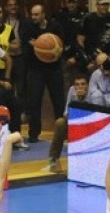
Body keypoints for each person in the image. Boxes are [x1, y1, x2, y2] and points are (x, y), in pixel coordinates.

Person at [20, 4, 65, 143]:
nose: (33, 17)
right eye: (32, 14)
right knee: (34, 101)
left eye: (36, 14)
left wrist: (41, 45)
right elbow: (26, 46)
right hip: (36, 69)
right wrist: (41, 46)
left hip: (54, 68)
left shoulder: (56, 27)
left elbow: (60, 47)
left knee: (58, 101)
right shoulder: (27, 27)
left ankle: (62, 132)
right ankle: (34, 133)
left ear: (43, 14)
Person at [44, 74, 104, 173]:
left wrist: (81, 101)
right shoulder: (72, 90)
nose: (80, 87)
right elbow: (66, 113)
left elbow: (97, 119)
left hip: (94, 128)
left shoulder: (96, 95)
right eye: (77, 84)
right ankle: (53, 161)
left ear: (88, 85)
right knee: (60, 123)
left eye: (83, 84)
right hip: (76, 123)